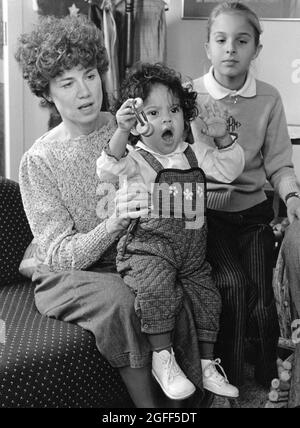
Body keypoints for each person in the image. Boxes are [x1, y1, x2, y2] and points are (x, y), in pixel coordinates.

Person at [97, 62, 243, 400]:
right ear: (138, 123)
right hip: (149, 249)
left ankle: (207, 364)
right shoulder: (137, 158)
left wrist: (221, 136)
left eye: (174, 110)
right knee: (157, 289)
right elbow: (106, 169)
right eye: (154, 112)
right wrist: (121, 132)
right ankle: (162, 359)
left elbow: (231, 168)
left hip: (192, 251)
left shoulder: (194, 153)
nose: (168, 119)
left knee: (208, 294)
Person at [191, 1, 300, 387]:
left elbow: (280, 165)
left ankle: (272, 375)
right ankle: (230, 378)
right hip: (208, 215)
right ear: (208, 47)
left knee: (263, 297)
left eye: (242, 40)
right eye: (221, 40)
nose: (230, 49)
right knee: (233, 286)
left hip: (254, 213)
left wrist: (292, 198)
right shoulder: (189, 97)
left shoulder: (269, 98)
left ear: (256, 49)